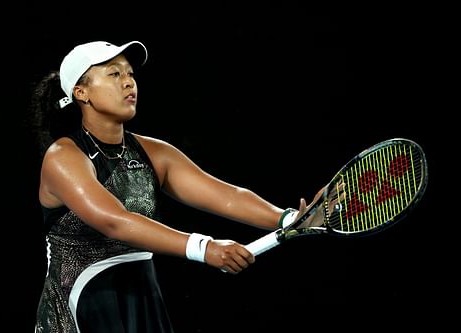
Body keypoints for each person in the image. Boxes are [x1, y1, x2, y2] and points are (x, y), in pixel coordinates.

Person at [30, 40, 326, 333]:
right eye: (114, 74)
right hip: (80, 306)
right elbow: (113, 221)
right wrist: (203, 247)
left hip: (143, 298)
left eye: (130, 73)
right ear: (81, 93)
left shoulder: (153, 153)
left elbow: (227, 196)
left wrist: (287, 218)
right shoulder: (63, 157)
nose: (129, 82)